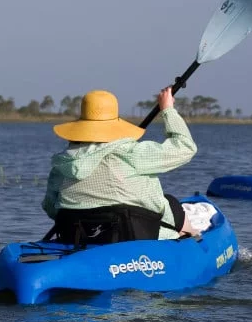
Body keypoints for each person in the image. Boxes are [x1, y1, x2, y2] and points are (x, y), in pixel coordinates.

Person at [42, 86, 198, 245]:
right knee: (171, 204)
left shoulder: (63, 162)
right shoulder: (131, 152)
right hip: (134, 235)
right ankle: (195, 240)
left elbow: (51, 207)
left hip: (76, 236)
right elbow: (185, 147)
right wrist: (168, 110)